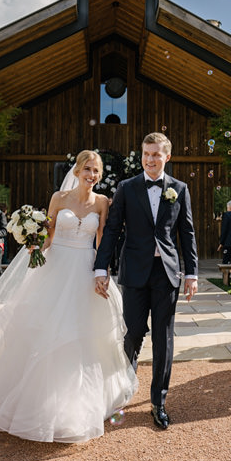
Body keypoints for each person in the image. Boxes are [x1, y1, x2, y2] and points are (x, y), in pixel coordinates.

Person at [0, 150, 138, 442]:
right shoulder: (59, 198)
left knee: (83, 336)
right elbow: (49, 234)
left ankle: (80, 406)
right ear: (78, 170)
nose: (92, 176)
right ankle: (39, 405)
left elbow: (104, 239)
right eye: (88, 170)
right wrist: (31, 240)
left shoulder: (103, 202)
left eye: (97, 171)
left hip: (85, 270)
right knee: (48, 333)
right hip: (56, 267)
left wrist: (102, 271)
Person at [94, 133, 198, 430]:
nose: (150, 159)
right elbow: (112, 230)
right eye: (146, 153)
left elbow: (186, 233)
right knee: (132, 333)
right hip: (134, 272)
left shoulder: (180, 188)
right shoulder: (127, 188)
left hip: (166, 273)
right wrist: (101, 268)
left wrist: (191, 273)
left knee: (163, 339)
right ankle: (123, 390)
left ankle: (158, 402)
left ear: (167, 156)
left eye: (156, 154)